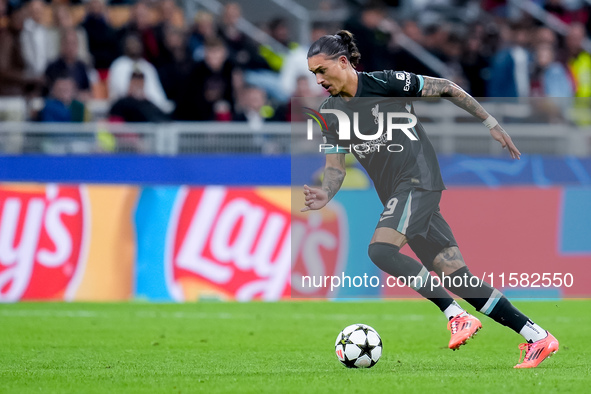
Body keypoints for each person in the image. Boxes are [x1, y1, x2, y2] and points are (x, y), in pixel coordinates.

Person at [302, 30, 559, 369]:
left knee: (380, 250)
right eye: (313, 74)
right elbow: (335, 169)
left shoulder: (385, 82)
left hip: (417, 182)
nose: (318, 79)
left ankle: (455, 315)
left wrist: (490, 122)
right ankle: (537, 336)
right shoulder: (329, 113)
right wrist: (326, 192)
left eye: (321, 70)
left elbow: (447, 88)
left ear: (343, 62)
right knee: (458, 278)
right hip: (398, 194)